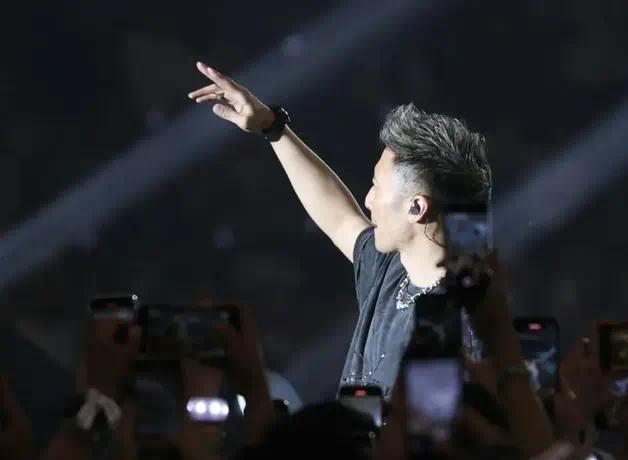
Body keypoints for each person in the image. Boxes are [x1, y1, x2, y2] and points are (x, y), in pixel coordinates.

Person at [188, 62, 492, 397]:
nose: (368, 199)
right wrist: (272, 127)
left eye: (377, 187)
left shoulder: (463, 325)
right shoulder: (391, 268)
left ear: (416, 208)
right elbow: (339, 218)